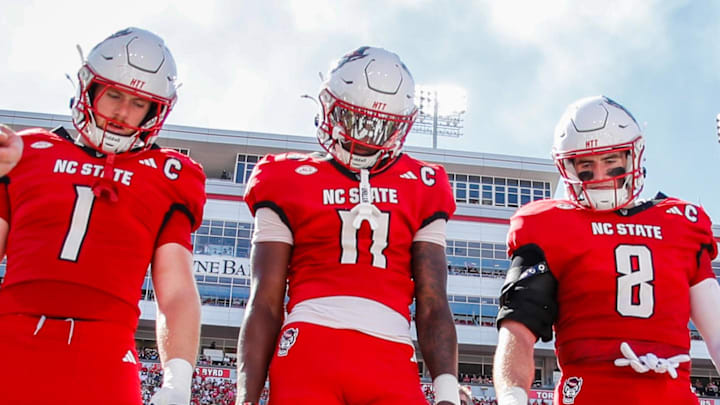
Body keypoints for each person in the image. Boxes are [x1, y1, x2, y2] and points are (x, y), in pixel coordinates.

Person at [236, 46, 459, 404]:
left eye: (379, 125)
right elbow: (265, 300)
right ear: (332, 106)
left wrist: (446, 390)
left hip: (377, 352)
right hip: (318, 347)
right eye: (357, 120)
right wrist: (244, 397)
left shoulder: (423, 182)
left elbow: (433, 301)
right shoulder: (285, 176)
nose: (366, 136)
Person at [0, 27, 206, 405]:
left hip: (105, 349)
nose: (122, 112)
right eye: (113, 94)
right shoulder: (27, 150)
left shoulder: (169, 174)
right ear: (89, 86)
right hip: (9, 335)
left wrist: (179, 378)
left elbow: (175, 290)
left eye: (138, 103)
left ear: (155, 110)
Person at [492, 95, 720, 405]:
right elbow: (518, 328)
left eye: (610, 161)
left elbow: (717, 332)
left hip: (672, 394)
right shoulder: (549, 223)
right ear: (568, 167)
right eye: (586, 165)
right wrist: (511, 398)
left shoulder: (681, 222)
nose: (599, 176)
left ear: (632, 156)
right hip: (591, 394)